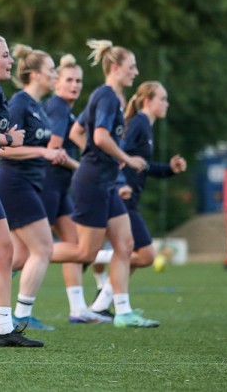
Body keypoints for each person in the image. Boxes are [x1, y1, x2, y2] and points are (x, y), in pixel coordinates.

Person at [50, 40, 159, 328]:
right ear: (115, 68)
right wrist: (125, 158)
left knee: (125, 244)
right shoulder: (108, 96)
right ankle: (30, 254)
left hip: (106, 181)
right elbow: (99, 137)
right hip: (93, 181)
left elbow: (77, 132)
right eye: (131, 66)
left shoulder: (108, 96)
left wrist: (109, 157)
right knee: (86, 252)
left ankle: (122, 312)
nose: (136, 72)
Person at [86, 81, 187, 314]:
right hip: (122, 198)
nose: (167, 104)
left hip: (129, 199)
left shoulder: (145, 125)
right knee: (145, 255)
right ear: (148, 101)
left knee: (133, 255)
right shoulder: (139, 123)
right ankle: (96, 260)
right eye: (162, 99)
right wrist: (120, 183)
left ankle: (100, 305)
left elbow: (142, 165)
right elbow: (117, 153)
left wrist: (169, 169)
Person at [0, 45, 67, 330]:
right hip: (14, 182)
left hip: (28, 183)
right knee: (44, 248)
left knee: (21, 255)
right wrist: (43, 152)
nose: (56, 75)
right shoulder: (20, 103)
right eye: (52, 70)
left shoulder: (39, 106)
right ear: (34, 74)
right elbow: (3, 148)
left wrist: (51, 153)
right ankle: (21, 315)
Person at [40, 55, 112, 324]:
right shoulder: (58, 107)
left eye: (78, 81)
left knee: (76, 248)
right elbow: (54, 149)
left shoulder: (65, 109)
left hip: (60, 187)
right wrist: (81, 167)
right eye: (69, 80)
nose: (75, 85)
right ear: (56, 83)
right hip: (47, 183)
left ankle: (78, 309)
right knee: (25, 252)